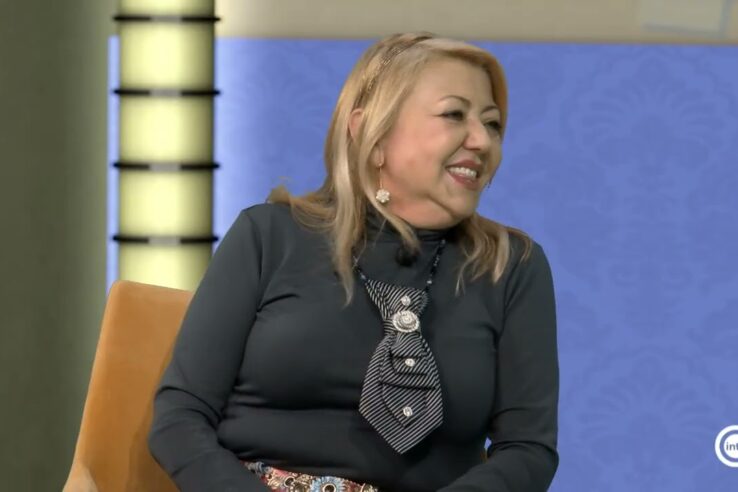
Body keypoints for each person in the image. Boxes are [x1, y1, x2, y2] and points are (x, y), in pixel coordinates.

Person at [148, 32, 559, 492]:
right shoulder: (268, 236)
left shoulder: (511, 266)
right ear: (371, 134)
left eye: (493, 124)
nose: (482, 141)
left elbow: (528, 450)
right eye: (454, 115)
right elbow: (179, 419)